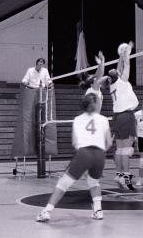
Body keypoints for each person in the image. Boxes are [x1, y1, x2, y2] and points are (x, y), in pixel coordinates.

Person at [36, 93, 113, 222]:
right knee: (94, 182)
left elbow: (74, 142)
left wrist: (83, 161)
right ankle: (98, 211)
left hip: (84, 153)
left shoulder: (77, 119)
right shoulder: (104, 119)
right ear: (96, 104)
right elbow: (109, 143)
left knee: (63, 183)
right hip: (100, 154)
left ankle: (47, 211)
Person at [107, 42, 139, 190]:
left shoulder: (113, 85)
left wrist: (121, 55)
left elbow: (120, 68)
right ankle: (126, 178)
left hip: (117, 118)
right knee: (126, 151)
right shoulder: (123, 82)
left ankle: (119, 175)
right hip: (126, 116)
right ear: (118, 76)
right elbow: (126, 65)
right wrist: (128, 51)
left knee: (119, 150)